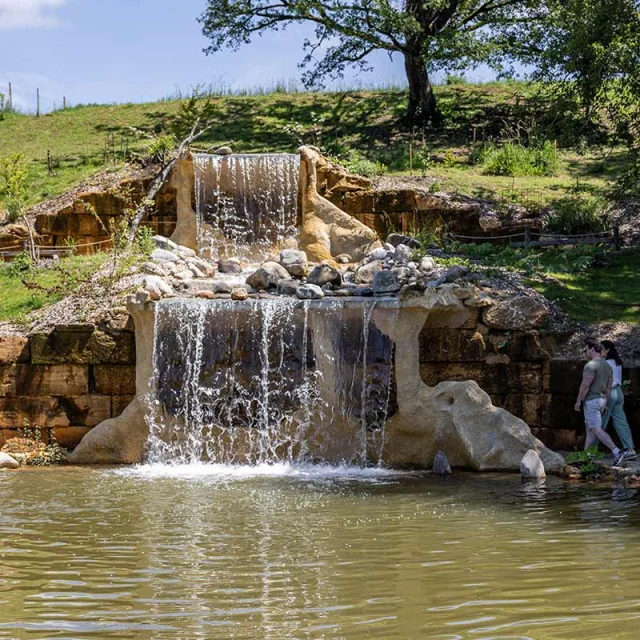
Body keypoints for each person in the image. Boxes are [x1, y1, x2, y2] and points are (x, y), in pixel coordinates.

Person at [574, 340, 630, 466]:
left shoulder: (591, 365)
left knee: (596, 429)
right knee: (590, 429)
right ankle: (586, 457)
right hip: (602, 400)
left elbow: (585, 385)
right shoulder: (607, 365)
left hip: (592, 400)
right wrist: (606, 404)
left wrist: (578, 401)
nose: (585, 353)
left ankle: (617, 452)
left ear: (592, 349)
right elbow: (609, 388)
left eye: (585, 350)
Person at [600, 339, 636, 459]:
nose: (600, 351)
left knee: (599, 422)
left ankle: (590, 450)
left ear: (607, 350)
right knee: (621, 421)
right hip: (619, 392)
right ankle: (630, 448)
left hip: (610, 392)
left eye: (602, 349)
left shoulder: (606, 363)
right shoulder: (617, 362)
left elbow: (605, 382)